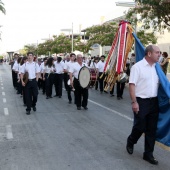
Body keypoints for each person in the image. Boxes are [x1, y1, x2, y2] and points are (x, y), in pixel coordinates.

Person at [126, 45, 160, 165]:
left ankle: (148, 154)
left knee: (151, 129)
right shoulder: (137, 67)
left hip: (154, 102)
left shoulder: (157, 68)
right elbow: (132, 85)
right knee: (140, 126)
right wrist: (134, 102)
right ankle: (131, 140)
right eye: (157, 52)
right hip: (141, 101)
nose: (159, 54)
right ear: (149, 54)